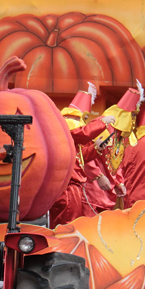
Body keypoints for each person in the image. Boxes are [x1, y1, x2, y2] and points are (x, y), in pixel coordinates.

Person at [49, 86, 115, 226]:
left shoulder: (71, 140)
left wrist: (96, 148)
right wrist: (102, 122)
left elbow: (80, 158)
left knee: (73, 222)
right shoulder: (68, 129)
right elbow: (83, 134)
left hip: (74, 185)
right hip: (67, 186)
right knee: (68, 223)